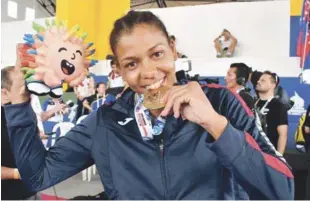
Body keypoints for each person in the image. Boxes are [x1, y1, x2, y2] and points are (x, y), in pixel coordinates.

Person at [4, 11, 293, 200]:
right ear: (117, 68)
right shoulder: (105, 121)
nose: (148, 72)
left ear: (173, 49)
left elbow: (283, 190)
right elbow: (38, 176)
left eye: (157, 54)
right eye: (131, 63)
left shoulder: (220, 101)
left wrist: (214, 124)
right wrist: (19, 102)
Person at [1, 66, 40, 200]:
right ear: (4, 94)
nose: (27, 93)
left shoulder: (26, 115)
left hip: (31, 193)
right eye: (21, 88)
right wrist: (17, 173)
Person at [255, 71, 288, 154]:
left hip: (268, 154)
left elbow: (283, 135)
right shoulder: (252, 103)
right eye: (259, 80)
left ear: (273, 85)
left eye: (263, 80)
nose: (258, 82)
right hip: (251, 152)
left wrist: (279, 158)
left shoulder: (278, 105)